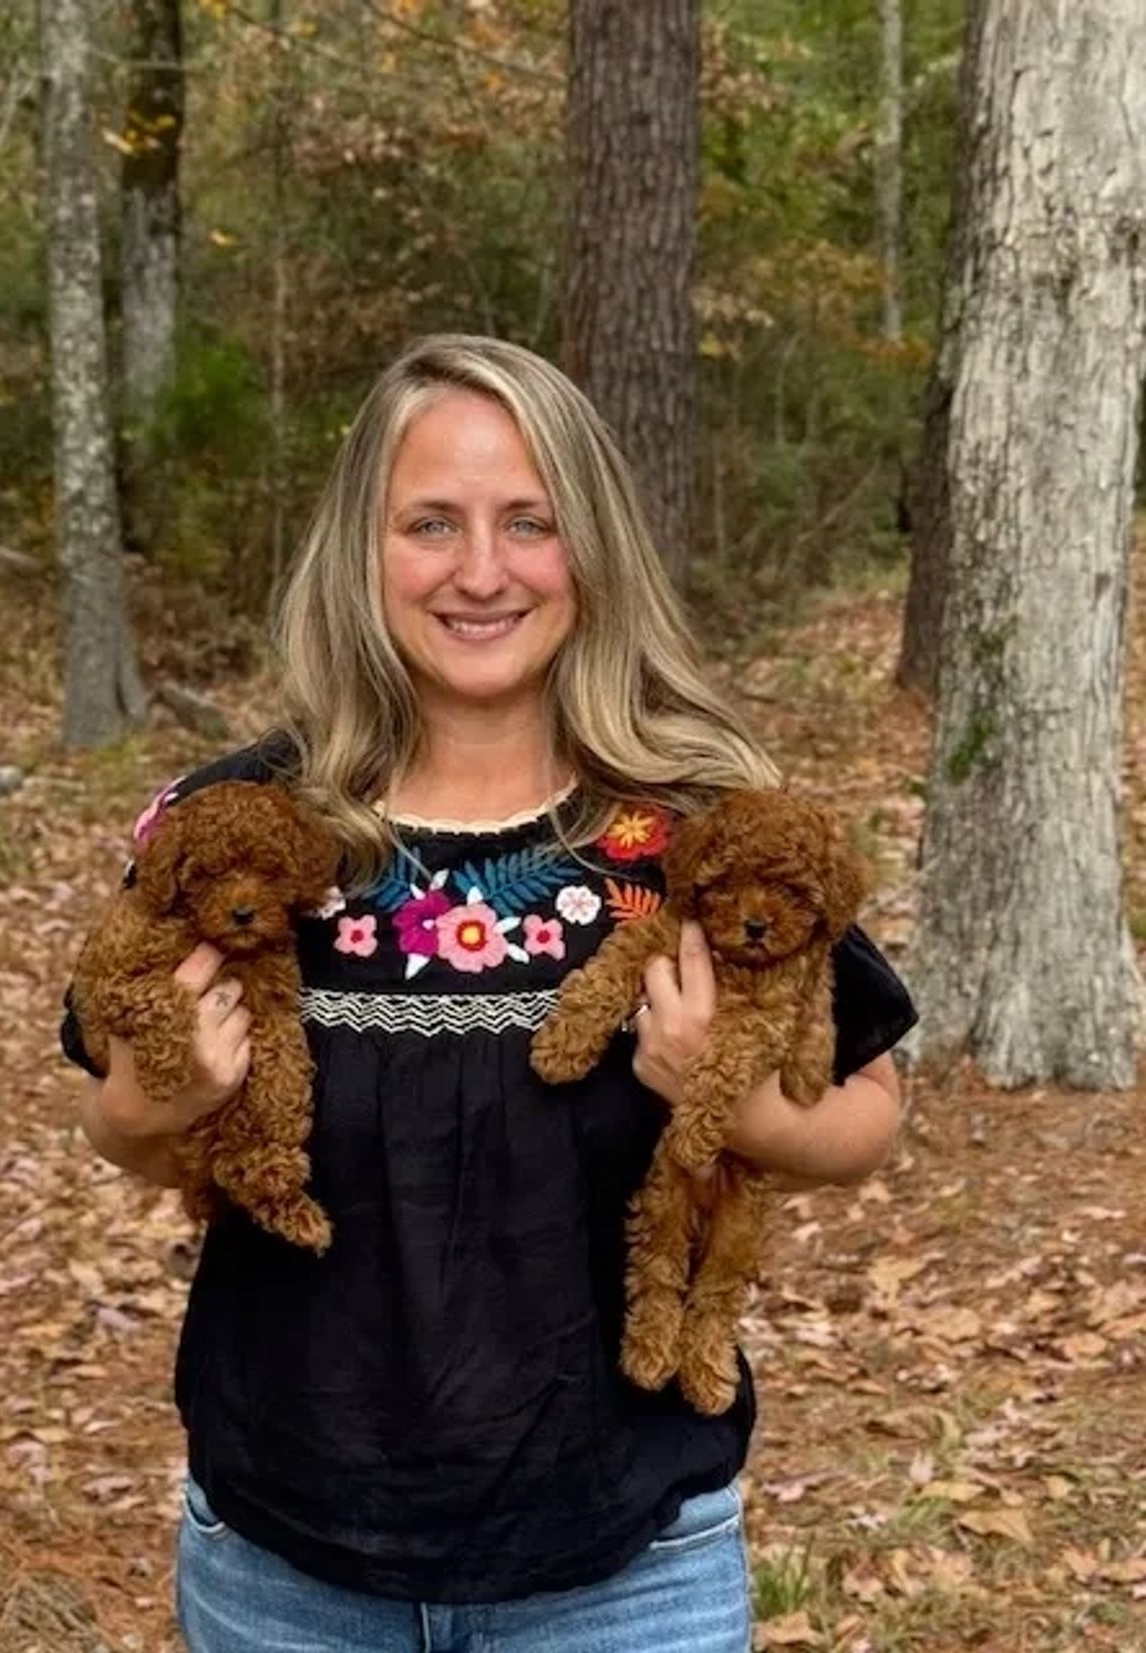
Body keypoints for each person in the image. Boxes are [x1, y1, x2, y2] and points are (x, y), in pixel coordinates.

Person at [62, 334, 916, 1653]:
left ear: (593, 547)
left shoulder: (699, 830)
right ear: (363, 549)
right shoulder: (239, 823)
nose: (480, 570)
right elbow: (115, 1117)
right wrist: (150, 1103)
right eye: (431, 523)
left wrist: (742, 1111)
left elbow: (871, 1100)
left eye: (530, 521)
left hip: (625, 1558)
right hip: (290, 1552)